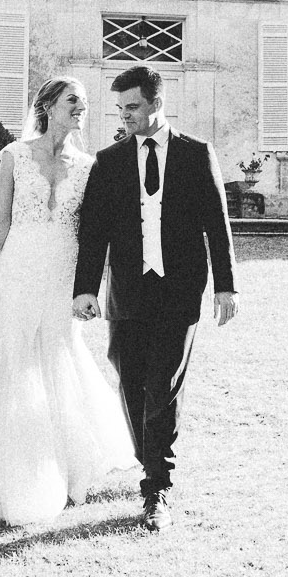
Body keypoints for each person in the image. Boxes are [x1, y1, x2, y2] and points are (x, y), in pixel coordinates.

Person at [0, 77, 138, 526]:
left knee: (59, 355)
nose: (82, 108)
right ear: (47, 106)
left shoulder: (89, 165)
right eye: (73, 100)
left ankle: (67, 461)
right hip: (19, 272)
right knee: (16, 360)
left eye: (83, 102)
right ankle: (10, 473)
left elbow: (93, 234)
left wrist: (89, 287)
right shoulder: (14, 156)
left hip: (63, 276)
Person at [73, 66, 240, 532]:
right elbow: (94, 233)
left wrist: (226, 285)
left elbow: (216, 225)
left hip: (179, 289)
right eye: (120, 109)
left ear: (156, 104)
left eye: (133, 108)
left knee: (161, 386)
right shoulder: (109, 162)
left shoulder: (195, 154)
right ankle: (150, 466)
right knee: (130, 382)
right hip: (127, 289)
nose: (125, 117)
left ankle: (156, 488)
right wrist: (85, 287)